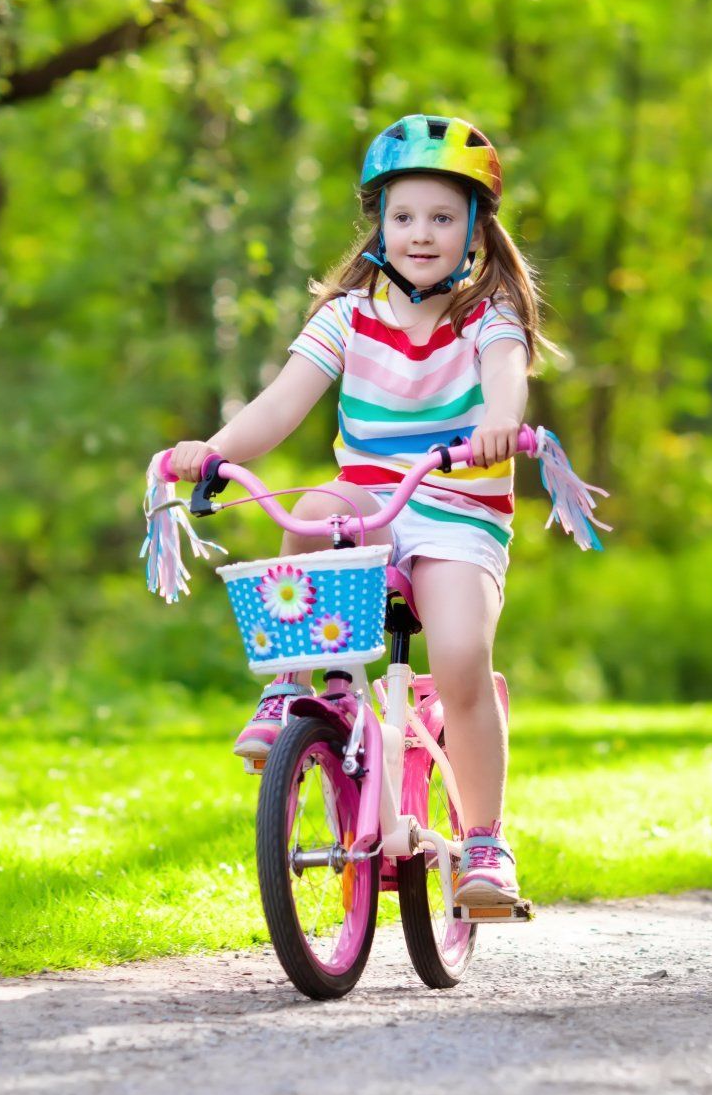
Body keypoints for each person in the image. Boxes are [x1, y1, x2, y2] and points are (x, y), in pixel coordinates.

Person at [165, 113, 551, 910]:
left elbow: (507, 376)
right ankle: (312, 689)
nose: (420, 233)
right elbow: (280, 406)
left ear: (476, 228)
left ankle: (486, 843)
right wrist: (215, 448)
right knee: (313, 504)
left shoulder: (488, 318)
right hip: (373, 501)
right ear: (379, 222)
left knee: (458, 657)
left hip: (455, 508)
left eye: (443, 217)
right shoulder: (347, 316)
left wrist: (498, 423)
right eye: (403, 216)